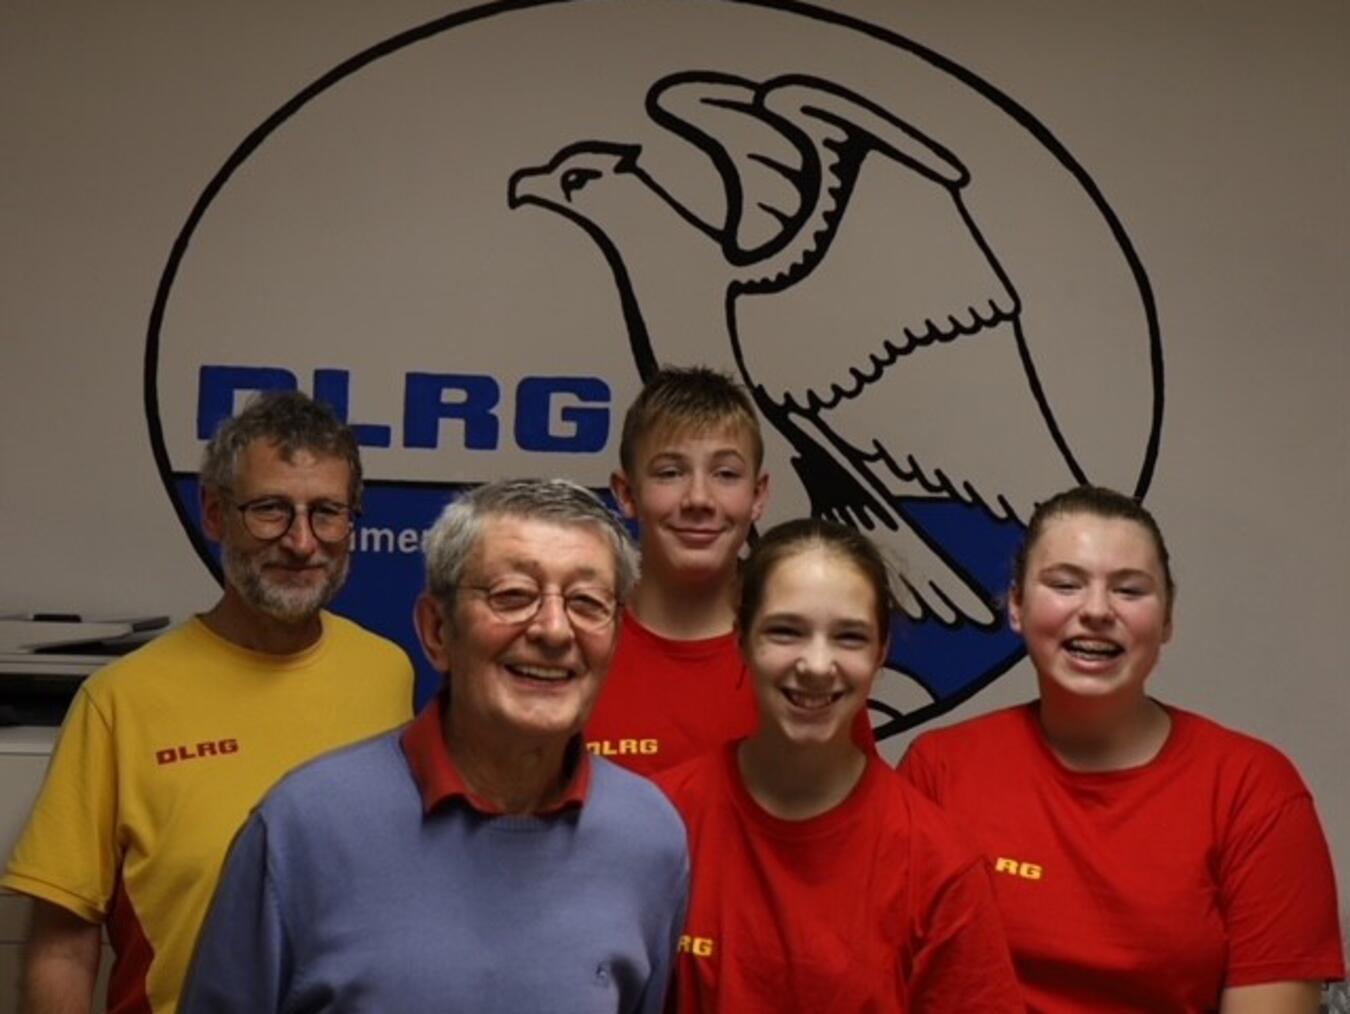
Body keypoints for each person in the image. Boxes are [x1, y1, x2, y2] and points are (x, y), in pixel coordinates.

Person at [179, 478, 689, 1012]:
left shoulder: (648, 838)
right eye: (513, 596)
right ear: (437, 631)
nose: (555, 630)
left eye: (587, 603)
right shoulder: (304, 828)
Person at [2, 390, 414, 1014]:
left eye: (327, 512)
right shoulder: (119, 702)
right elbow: (61, 947)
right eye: (271, 510)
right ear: (216, 514)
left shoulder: (387, 672)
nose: (302, 542)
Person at [898, 485, 1345, 1013]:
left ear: (1167, 619)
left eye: (1130, 590)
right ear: (1016, 606)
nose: (1096, 610)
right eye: (1065, 584)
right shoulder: (940, 769)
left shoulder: (1253, 788)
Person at [656, 518, 1023, 1012]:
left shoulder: (937, 865)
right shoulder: (662, 823)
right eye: (786, 632)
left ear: (881, 652)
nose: (816, 665)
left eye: (849, 637)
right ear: (741, 638)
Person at [587, 366, 871, 776]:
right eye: (670, 473)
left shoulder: (806, 661)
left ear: (758, 496)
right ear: (627, 494)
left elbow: (853, 805)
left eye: (726, 475)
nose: (699, 499)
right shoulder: (577, 643)